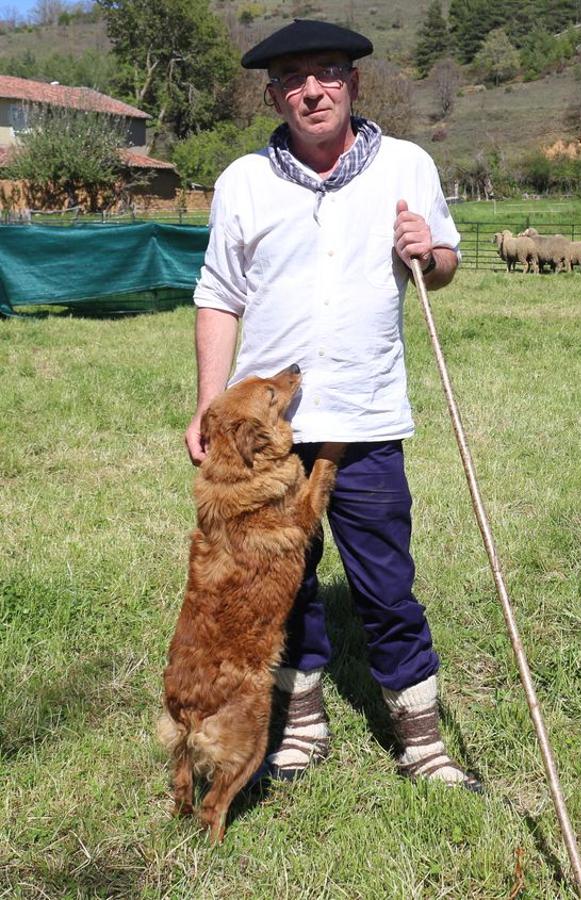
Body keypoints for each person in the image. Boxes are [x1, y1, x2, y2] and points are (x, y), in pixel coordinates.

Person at [186, 19, 479, 792]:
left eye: (326, 73)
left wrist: (432, 252)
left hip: (368, 415)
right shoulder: (243, 180)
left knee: (385, 583)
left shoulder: (408, 166)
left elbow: (444, 265)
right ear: (273, 93)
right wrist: (210, 405)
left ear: (353, 82)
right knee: (283, 584)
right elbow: (218, 296)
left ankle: (422, 745)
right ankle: (303, 726)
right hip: (264, 438)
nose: (310, 90)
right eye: (292, 78)